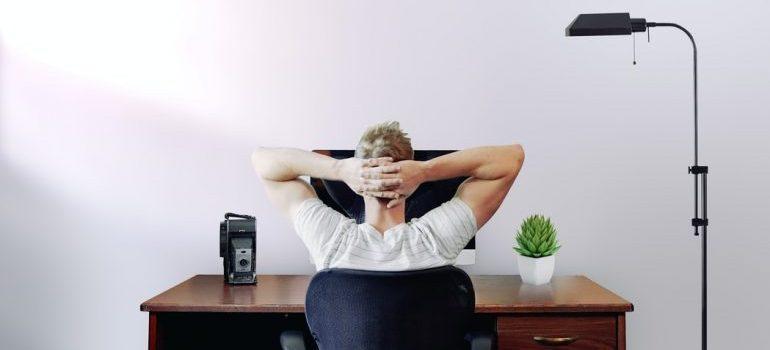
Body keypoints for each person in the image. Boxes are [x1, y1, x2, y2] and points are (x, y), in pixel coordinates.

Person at [251, 121, 524, 271]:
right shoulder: (438, 240)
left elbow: (262, 162)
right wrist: (426, 171)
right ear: (412, 177)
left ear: (357, 183)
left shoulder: (330, 241)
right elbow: (512, 158)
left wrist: (339, 168)